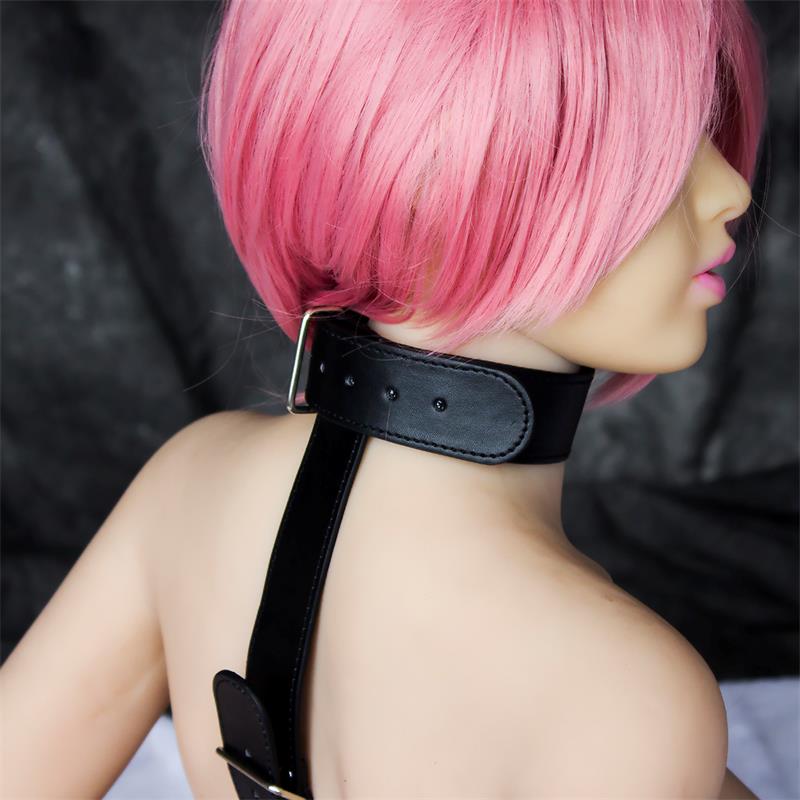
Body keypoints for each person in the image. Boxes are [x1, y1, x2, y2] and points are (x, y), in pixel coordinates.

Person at [0, 1, 766, 797]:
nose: (731, 189)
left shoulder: (190, 482)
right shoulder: (618, 693)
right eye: (657, 147)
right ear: (446, 175)